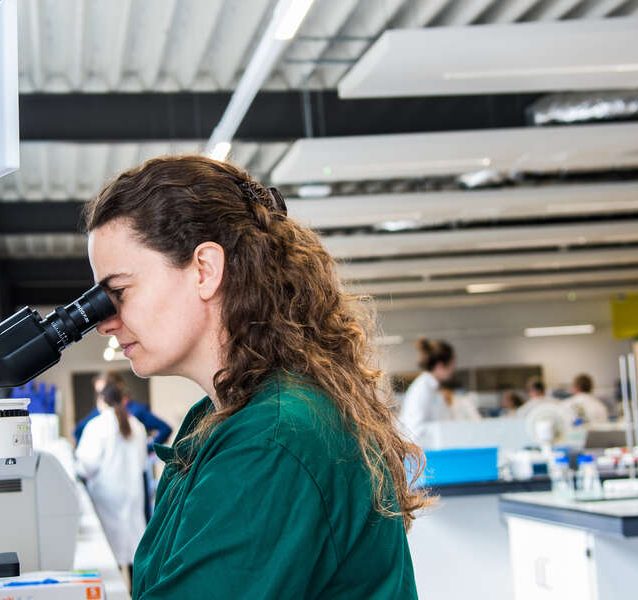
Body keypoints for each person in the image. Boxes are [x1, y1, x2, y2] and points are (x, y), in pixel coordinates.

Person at [84, 155, 425, 598]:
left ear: (205, 270)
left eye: (118, 292)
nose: (104, 323)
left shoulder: (273, 437)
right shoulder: (215, 419)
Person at [74, 376, 148, 582]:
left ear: (101, 400)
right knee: (134, 545)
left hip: (106, 497)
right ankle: (136, 590)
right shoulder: (138, 426)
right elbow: (142, 462)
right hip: (133, 493)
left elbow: (86, 466)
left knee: (109, 550)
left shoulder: (96, 426)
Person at [398, 338, 479, 436]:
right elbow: (414, 429)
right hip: (423, 444)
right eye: (451, 366)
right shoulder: (422, 389)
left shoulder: (432, 387)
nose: (452, 371)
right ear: (440, 366)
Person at [73, 371, 172, 447]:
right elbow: (78, 431)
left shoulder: (137, 410)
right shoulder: (98, 413)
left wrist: (147, 448)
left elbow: (165, 429)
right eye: (99, 393)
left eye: (104, 390)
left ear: (119, 386)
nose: (102, 396)